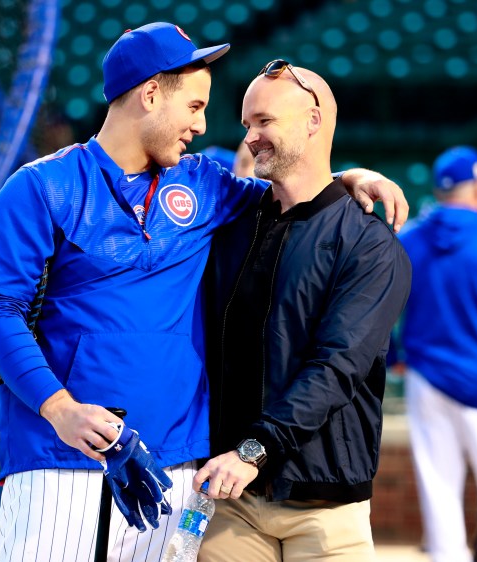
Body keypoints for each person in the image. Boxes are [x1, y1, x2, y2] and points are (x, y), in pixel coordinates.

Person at [0, 23, 409, 561]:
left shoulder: (206, 184)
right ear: (151, 94)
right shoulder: (42, 185)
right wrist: (59, 408)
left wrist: (348, 176)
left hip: (174, 466)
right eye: (195, 106)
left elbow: (299, 191)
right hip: (59, 457)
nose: (203, 125)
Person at [195, 60, 412, 561]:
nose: (250, 137)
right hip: (233, 503)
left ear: (314, 121)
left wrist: (255, 450)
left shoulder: (369, 244)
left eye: (264, 121)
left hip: (325, 509)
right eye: (247, 123)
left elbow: (336, 368)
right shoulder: (231, 223)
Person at [396, 146, 477, 562]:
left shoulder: (410, 238)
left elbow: (379, 306)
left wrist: (394, 353)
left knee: (439, 490)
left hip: (424, 378)